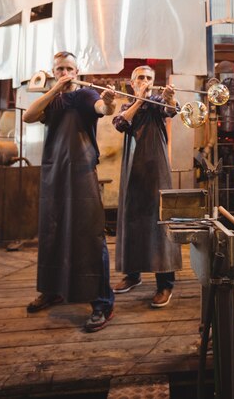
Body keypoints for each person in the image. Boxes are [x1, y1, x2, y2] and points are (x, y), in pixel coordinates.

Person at [23, 51, 116, 332]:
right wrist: (54, 89)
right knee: (53, 231)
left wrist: (109, 103)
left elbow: (102, 108)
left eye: (69, 68)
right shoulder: (53, 99)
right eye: (59, 69)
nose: (64, 72)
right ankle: (54, 289)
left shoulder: (85, 95)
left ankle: (102, 303)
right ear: (54, 72)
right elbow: (29, 115)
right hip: (54, 173)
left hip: (82, 172)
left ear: (77, 71)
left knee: (90, 234)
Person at [112, 65, 182, 308]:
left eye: (149, 78)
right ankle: (133, 275)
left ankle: (165, 284)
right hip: (133, 171)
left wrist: (170, 99)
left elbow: (171, 110)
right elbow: (121, 123)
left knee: (160, 225)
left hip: (157, 171)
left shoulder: (157, 103)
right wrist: (139, 100)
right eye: (140, 77)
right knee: (132, 221)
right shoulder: (127, 106)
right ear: (132, 83)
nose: (145, 81)